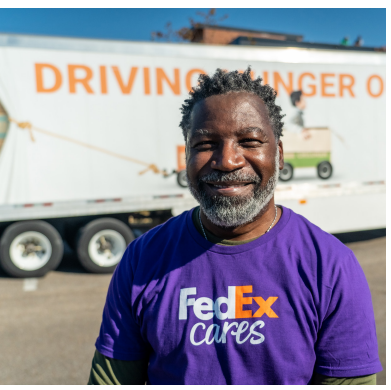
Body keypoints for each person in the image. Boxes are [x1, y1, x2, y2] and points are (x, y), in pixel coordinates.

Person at [88, 68, 381, 385]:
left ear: (279, 155)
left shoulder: (331, 266)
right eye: (205, 144)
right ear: (186, 156)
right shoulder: (143, 260)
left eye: (249, 141)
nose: (227, 160)